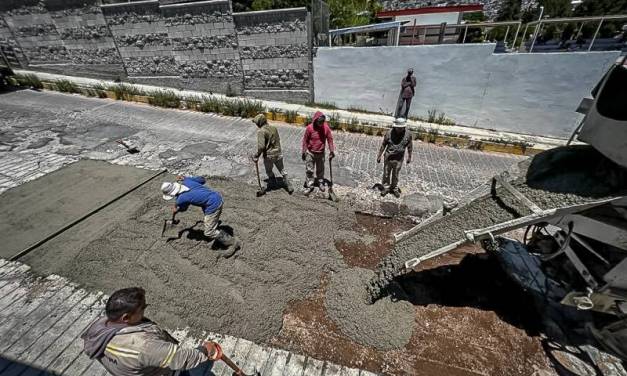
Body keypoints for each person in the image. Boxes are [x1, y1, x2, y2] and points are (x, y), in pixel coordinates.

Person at [82, 287, 223, 376]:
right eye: (143, 308)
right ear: (126, 317)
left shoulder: (100, 327)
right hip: (165, 371)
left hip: (131, 368)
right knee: (205, 363)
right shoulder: (144, 346)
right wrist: (205, 350)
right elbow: (182, 358)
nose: (145, 310)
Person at [161, 175, 239, 254]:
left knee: (209, 232)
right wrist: (187, 178)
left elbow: (184, 209)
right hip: (216, 196)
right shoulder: (187, 181)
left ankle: (232, 242)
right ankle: (215, 228)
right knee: (209, 221)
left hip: (213, 205)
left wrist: (176, 209)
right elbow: (202, 180)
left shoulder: (181, 199)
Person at [250, 114, 293, 194]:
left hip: (269, 156)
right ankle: (288, 184)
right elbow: (278, 139)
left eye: (256, 123)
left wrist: (257, 155)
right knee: (282, 169)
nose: (256, 125)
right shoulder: (274, 128)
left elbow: (261, 147)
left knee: (269, 171)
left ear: (259, 123)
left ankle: (273, 183)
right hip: (278, 153)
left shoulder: (261, 131)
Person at [377, 118, 412, 198]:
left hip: (399, 158)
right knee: (386, 173)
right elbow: (383, 145)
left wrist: (409, 156)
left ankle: (394, 188)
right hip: (388, 157)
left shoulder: (408, 134)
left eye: (401, 128)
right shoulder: (389, 133)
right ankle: (385, 187)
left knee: (395, 174)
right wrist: (379, 155)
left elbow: (410, 146)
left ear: (404, 127)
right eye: (397, 128)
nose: (399, 129)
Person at [301, 111, 335, 195]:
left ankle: (320, 182)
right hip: (310, 153)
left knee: (320, 170)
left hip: (321, 153)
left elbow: (330, 139)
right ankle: (310, 185)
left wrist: (331, 151)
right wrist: (303, 151)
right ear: (315, 120)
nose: (321, 123)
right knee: (309, 170)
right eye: (319, 122)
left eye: (322, 122)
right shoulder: (309, 128)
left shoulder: (326, 128)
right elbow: (305, 140)